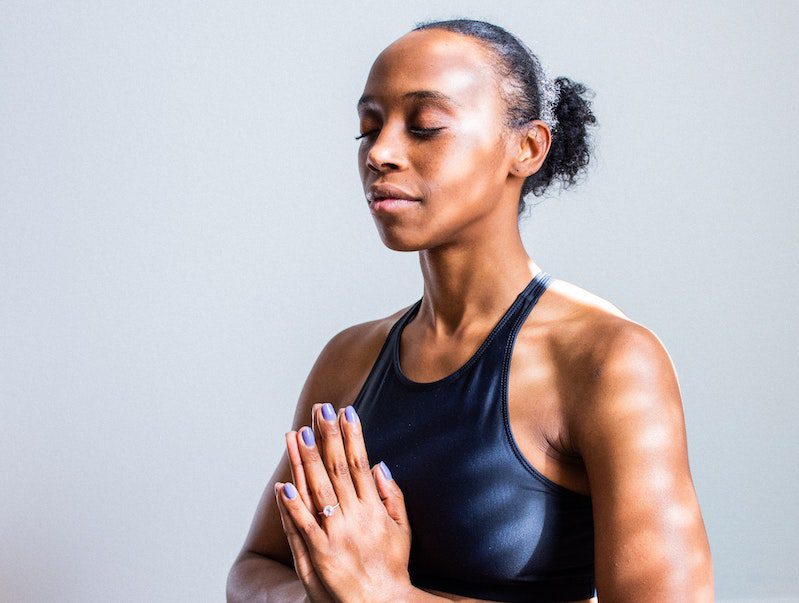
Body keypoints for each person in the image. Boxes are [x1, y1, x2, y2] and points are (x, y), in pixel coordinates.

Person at [226, 18, 713, 603]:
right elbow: (255, 567)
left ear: (527, 148)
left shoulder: (608, 360)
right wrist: (320, 595)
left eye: (426, 126)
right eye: (369, 127)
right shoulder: (348, 360)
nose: (381, 152)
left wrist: (388, 597)